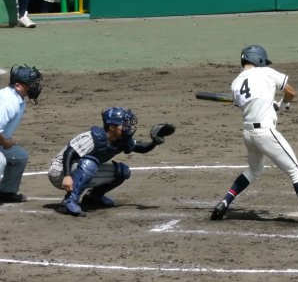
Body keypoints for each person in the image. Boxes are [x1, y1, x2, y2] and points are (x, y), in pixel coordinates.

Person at [211, 45, 298, 225]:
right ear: (259, 59)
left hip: (248, 134)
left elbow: (251, 104)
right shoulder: (266, 72)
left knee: (254, 171)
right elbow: (290, 91)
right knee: (295, 170)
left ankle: (225, 201)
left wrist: (272, 105)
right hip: (266, 133)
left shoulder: (235, 83)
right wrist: (283, 104)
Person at [47, 107, 171, 216]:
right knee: (90, 163)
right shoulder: (92, 138)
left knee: (122, 172)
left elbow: (142, 148)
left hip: (77, 170)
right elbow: (69, 153)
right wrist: (67, 176)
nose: (128, 127)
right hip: (60, 172)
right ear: (112, 127)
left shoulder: (121, 140)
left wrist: (154, 142)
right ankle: (69, 201)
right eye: (124, 124)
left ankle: (93, 197)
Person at [0, 65, 43, 203]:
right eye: (30, 84)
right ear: (18, 85)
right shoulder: (8, 102)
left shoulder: (18, 98)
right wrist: (5, 142)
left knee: (19, 157)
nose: (34, 87)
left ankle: (6, 192)